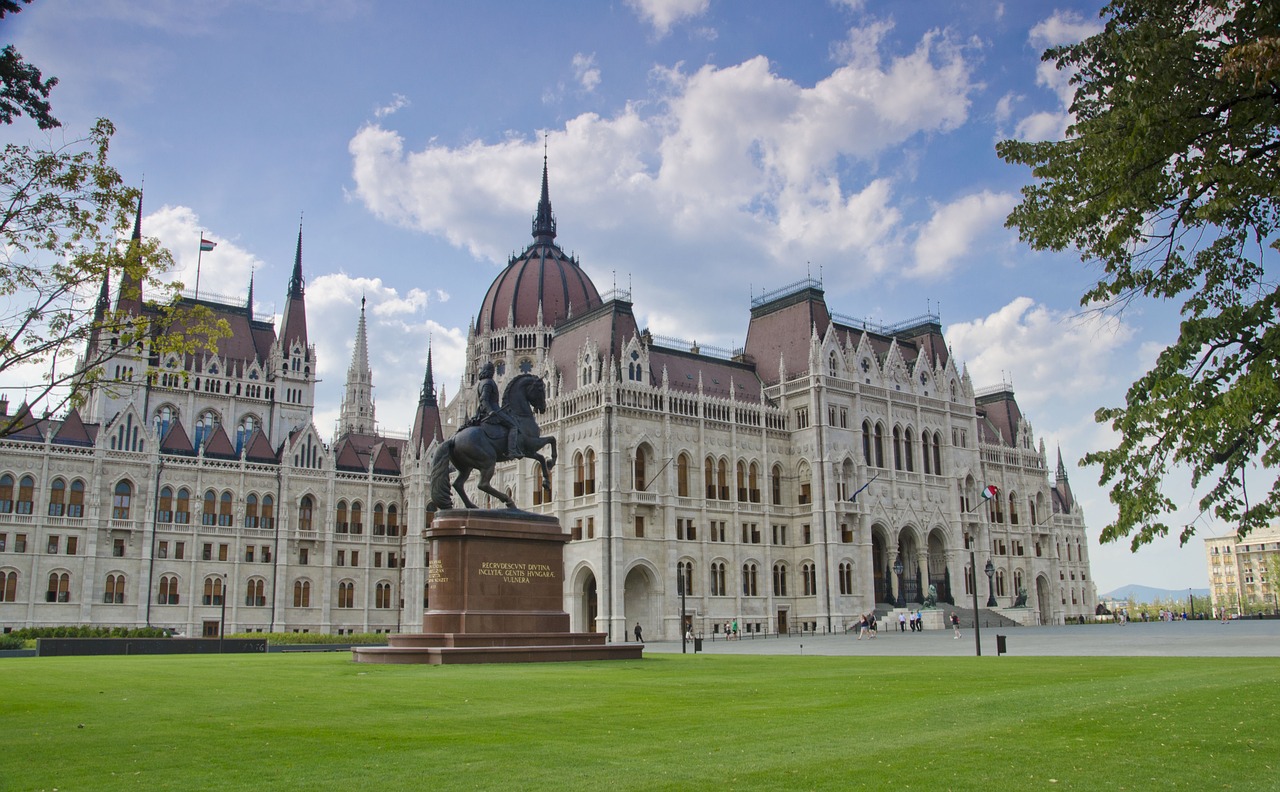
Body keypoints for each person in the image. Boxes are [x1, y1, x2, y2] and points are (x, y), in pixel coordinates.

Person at [471, 361, 521, 458]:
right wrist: (490, 411)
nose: (493, 372)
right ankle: (512, 451)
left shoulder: (481, 383)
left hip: (482, 412)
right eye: (493, 370)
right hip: (493, 410)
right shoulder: (488, 382)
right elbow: (484, 399)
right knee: (513, 426)